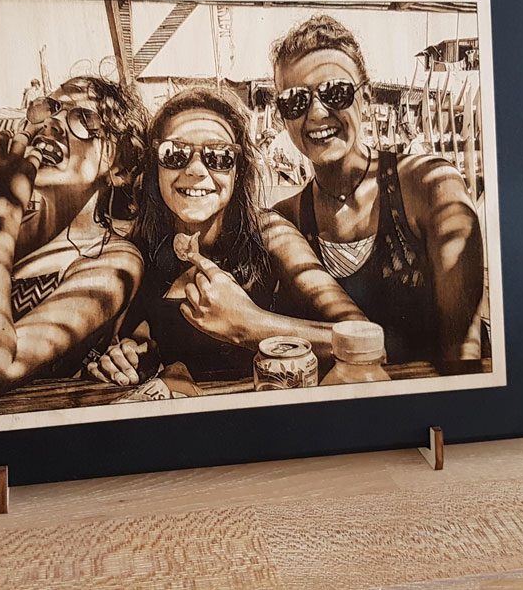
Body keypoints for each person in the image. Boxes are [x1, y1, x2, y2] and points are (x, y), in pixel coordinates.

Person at [87, 87, 365, 386]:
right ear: (156, 168)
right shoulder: (143, 244)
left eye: (219, 156)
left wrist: (250, 324)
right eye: (174, 153)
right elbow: (140, 338)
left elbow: (366, 339)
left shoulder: (270, 233)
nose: (195, 170)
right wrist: (128, 356)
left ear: (238, 171)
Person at [269, 15, 484, 367]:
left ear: (365, 98)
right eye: (295, 100)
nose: (317, 113)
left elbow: (463, 353)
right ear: (282, 116)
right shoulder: (287, 219)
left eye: (335, 93)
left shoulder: (428, 187)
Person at [0, 76, 149, 400]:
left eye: (83, 118)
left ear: (120, 168)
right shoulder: (19, 233)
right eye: (51, 108)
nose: (52, 123)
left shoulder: (113, 260)